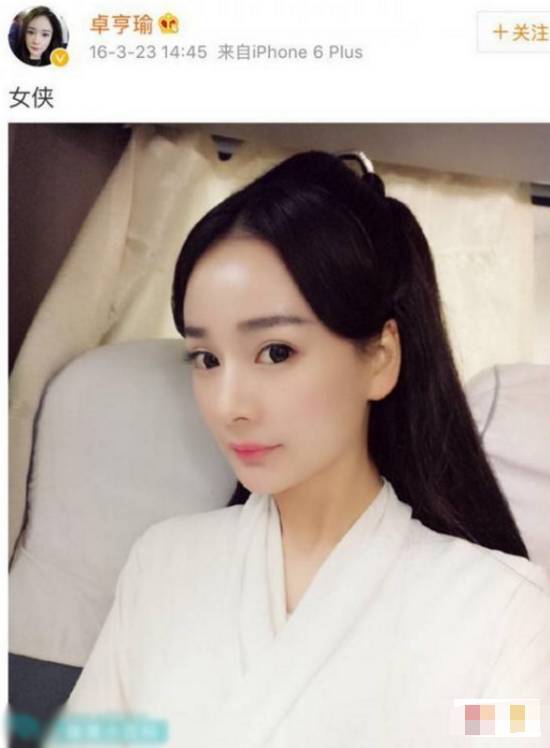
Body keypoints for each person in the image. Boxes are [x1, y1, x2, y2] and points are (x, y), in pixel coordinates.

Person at [44, 152, 550, 747]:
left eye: (276, 352)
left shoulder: (501, 611)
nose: (229, 404)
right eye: (206, 359)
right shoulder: (162, 566)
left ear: (380, 358)